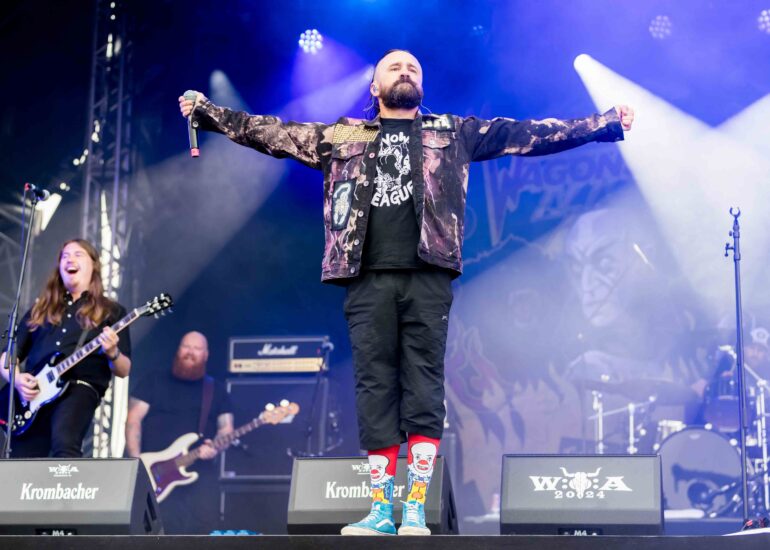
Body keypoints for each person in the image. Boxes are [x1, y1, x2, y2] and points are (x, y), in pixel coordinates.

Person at [178, 48, 634, 536]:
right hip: (366, 276)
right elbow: (274, 132)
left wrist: (603, 123)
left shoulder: (451, 132)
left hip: (427, 274)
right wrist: (210, 114)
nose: (405, 71)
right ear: (375, 87)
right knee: (375, 388)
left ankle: (414, 509)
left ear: (422, 85)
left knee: (424, 386)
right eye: (394, 67)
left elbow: (528, 134)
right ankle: (380, 510)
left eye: (413, 67)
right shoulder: (348, 134)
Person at [0, 238, 131, 457]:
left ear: (93, 265)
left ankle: (66, 479)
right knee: (22, 458)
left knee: (65, 441)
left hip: (79, 387)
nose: (70, 259)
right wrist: (18, 380)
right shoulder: (41, 309)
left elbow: (124, 369)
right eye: (65, 256)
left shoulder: (111, 311)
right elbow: (8, 357)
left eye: (78, 255)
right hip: (34, 395)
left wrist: (112, 352)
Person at [125, 331, 233, 535]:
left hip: (199, 475)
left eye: (197, 348)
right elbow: (133, 420)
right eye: (186, 346)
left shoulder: (216, 390)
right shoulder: (153, 381)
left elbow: (226, 429)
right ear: (177, 350)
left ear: (206, 355)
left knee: (204, 531)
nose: (190, 352)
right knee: (155, 532)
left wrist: (215, 447)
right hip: (154, 472)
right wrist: (136, 463)